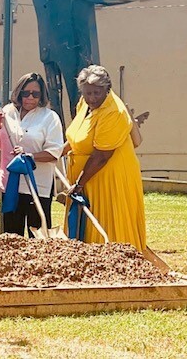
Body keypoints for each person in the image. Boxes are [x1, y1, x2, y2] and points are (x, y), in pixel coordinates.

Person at [63, 65, 146, 251]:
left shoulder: (114, 112)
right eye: (87, 93)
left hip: (109, 177)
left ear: (107, 89)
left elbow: (101, 156)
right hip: (87, 177)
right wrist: (53, 153)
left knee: (109, 222)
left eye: (97, 93)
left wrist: (79, 183)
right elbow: (78, 138)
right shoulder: (84, 104)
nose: (92, 98)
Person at [0, 72, 64, 237]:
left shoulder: (50, 117)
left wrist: (29, 155)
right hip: (11, 185)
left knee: (38, 237)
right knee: (10, 238)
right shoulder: (7, 112)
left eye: (35, 93)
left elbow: (54, 153)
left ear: (41, 95)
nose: (30, 97)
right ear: (19, 93)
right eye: (26, 93)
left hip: (37, 186)